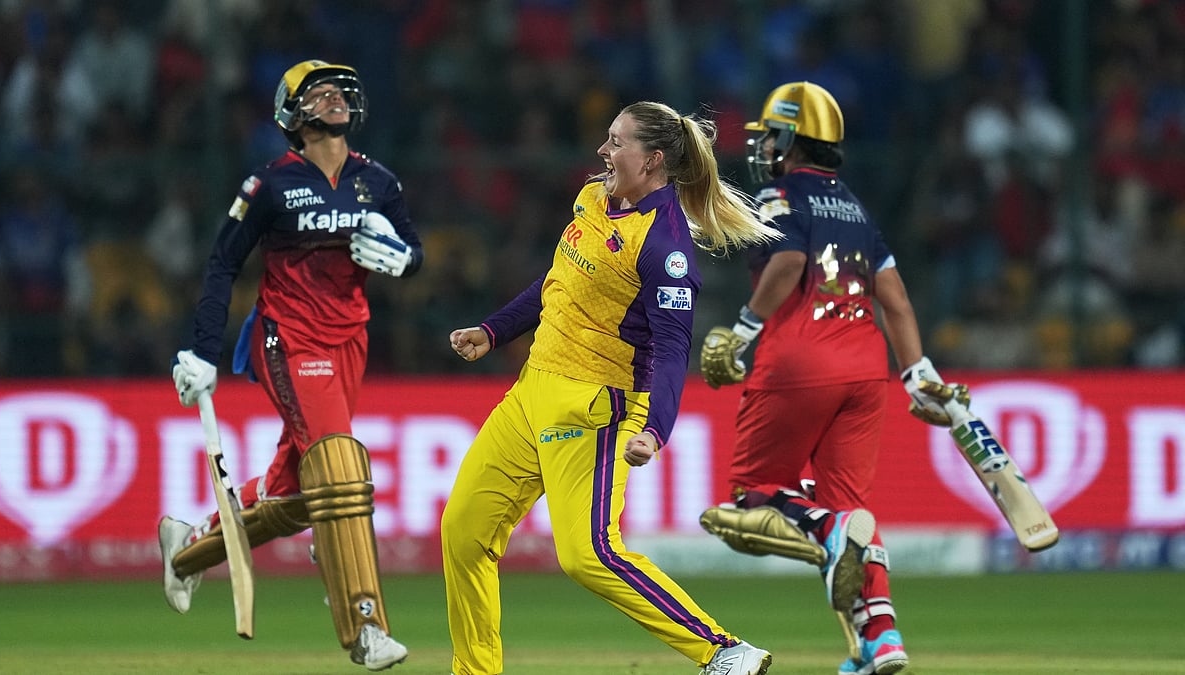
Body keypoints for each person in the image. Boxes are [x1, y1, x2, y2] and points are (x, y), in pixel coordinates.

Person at [443, 101, 780, 675]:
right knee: (464, 531)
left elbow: (675, 350)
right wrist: (495, 330)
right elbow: (558, 278)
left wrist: (655, 429)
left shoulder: (665, 246)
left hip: (596, 403)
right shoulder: (593, 198)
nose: (603, 151)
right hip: (531, 391)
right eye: (606, 138)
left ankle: (723, 650)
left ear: (651, 160)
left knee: (586, 553)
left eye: (616, 141)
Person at [159, 59, 423, 672]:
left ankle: (187, 550)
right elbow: (223, 263)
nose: (334, 98)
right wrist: (201, 349)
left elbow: (416, 256)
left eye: (340, 91)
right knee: (338, 468)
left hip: (349, 341)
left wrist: (400, 259)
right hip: (288, 338)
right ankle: (365, 627)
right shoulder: (270, 184)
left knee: (300, 491)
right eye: (318, 93)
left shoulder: (379, 182)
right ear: (292, 114)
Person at [698, 82, 968, 675]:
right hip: (867, 370)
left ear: (792, 138)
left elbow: (789, 262)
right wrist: (917, 373)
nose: (764, 145)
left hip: (798, 361)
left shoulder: (778, 193)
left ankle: (832, 528)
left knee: (755, 496)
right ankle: (879, 642)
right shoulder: (855, 206)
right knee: (855, 515)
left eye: (772, 134)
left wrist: (744, 329)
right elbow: (893, 299)